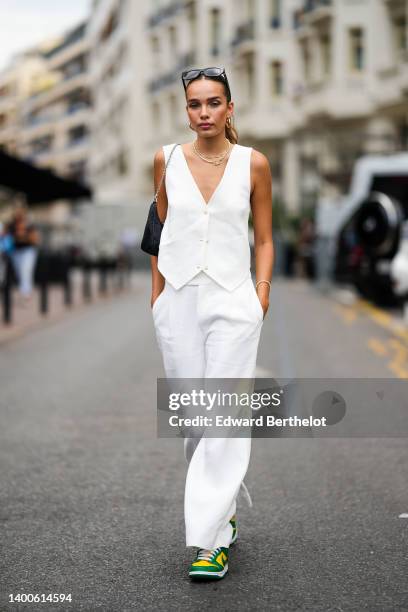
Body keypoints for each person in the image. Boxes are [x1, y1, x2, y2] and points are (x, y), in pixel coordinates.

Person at [150, 67, 273, 580]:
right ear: (186, 110)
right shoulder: (165, 159)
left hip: (233, 300)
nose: (204, 113)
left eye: (213, 103)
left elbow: (264, 238)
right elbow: (159, 232)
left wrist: (260, 295)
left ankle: (210, 542)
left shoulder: (254, 164)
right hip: (177, 301)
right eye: (195, 104)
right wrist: (156, 301)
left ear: (229, 108)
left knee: (222, 414)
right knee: (194, 419)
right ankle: (222, 510)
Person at [6, 207, 40, 304]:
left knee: (25, 270)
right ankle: (24, 291)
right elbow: (6, 236)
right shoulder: (11, 225)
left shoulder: (29, 225)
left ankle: (25, 293)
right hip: (16, 252)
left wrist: (24, 235)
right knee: (19, 272)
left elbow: (35, 239)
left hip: (28, 251)